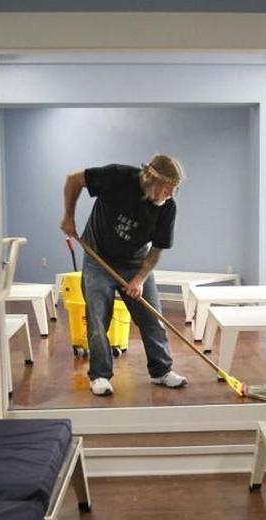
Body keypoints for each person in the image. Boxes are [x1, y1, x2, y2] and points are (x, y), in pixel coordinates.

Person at [60, 154, 187, 396]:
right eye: (167, 188)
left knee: (152, 318)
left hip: (136, 262)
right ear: (151, 178)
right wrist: (68, 216)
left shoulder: (168, 208)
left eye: (175, 189)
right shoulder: (117, 176)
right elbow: (73, 180)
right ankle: (99, 376)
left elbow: (158, 248)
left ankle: (161, 371)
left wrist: (139, 279)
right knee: (97, 319)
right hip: (98, 258)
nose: (170, 194)